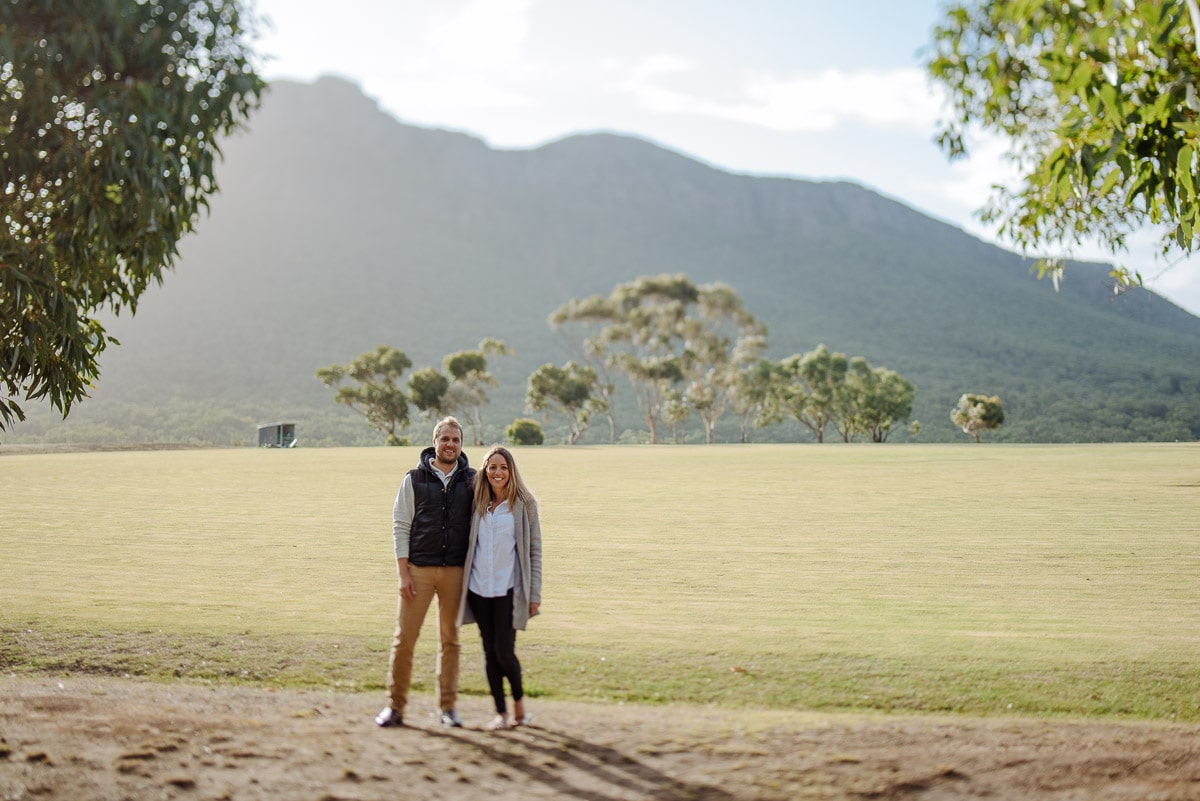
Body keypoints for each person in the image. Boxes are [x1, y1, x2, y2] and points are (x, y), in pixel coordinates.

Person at [376, 416, 476, 728]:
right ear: (434, 442)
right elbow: (400, 525)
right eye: (445, 439)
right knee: (404, 639)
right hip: (418, 570)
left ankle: (448, 709)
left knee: (451, 640)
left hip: (455, 572)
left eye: (456, 440)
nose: (450, 445)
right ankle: (395, 707)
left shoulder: (473, 479)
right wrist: (403, 573)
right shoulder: (413, 478)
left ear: (461, 445)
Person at [458, 445, 543, 731]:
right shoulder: (477, 502)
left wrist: (534, 594)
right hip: (479, 589)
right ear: (485, 470)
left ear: (511, 471)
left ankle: (519, 706)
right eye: (492, 467)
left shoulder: (524, 504)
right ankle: (501, 713)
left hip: (509, 589)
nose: (498, 472)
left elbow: (534, 551)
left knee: (504, 651)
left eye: (503, 467)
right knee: (488, 652)